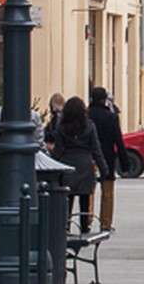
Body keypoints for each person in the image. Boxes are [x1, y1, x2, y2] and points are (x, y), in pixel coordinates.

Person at [53, 96, 109, 233]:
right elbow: (96, 149)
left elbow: (58, 150)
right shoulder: (89, 126)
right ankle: (84, 226)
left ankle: (65, 226)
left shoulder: (62, 127)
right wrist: (104, 168)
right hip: (85, 163)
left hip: (67, 163)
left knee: (68, 198)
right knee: (85, 198)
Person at [88, 87, 130, 232]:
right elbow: (119, 141)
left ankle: (87, 217)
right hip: (107, 157)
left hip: (90, 157)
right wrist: (125, 165)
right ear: (104, 99)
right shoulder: (111, 117)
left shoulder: (86, 115)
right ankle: (105, 223)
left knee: (89, 189)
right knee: (107, 193)